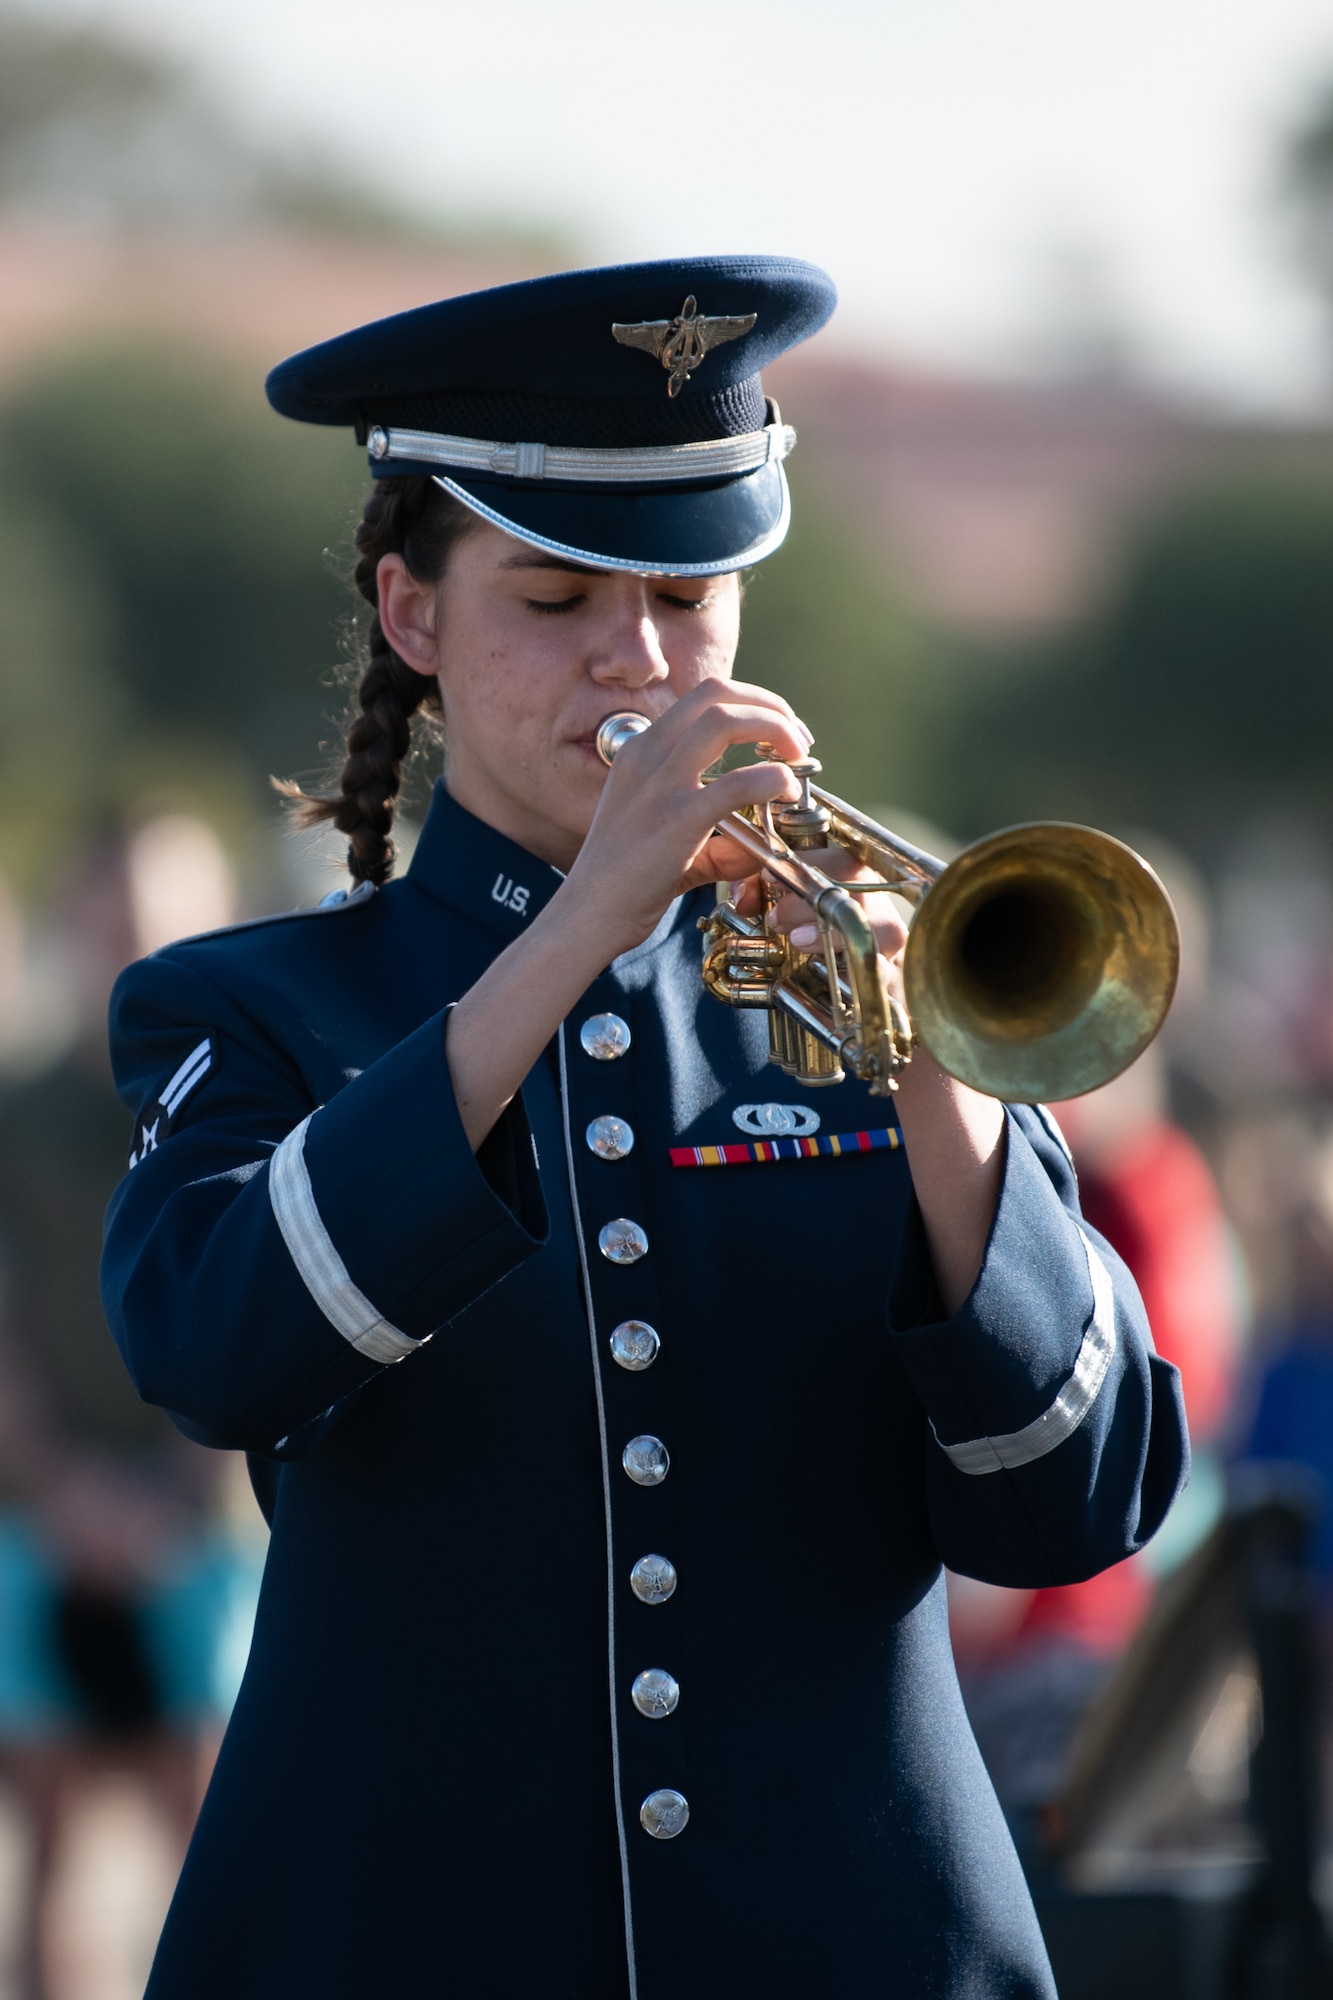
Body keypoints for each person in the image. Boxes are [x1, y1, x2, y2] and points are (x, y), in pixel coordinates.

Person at [99, 256, 1189, 1999]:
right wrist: (570, 933)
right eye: (554, 600)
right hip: (400, 1940)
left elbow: (1073, 1505)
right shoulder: (247, 1008)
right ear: (412, 618)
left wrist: (941, 1075)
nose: (643, 659)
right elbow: (220, 1353)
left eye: (691, 596)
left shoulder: (875, 1003)